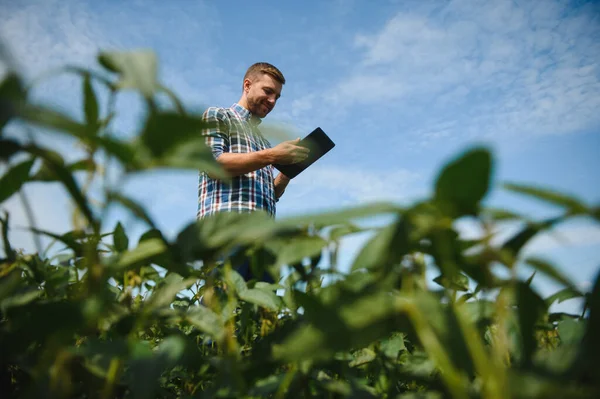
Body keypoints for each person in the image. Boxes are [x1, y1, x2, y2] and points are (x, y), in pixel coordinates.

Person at [197, 62, 309, 282]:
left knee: (262, 315)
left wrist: (286, 175)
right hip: (227, 234)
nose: (272, 101)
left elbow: (269, 195)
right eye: (268, 91)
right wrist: (272, 156)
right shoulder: (219, 116)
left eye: (277, 96)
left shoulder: (263, 141)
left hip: (264, 244)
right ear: (247, 85)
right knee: (221, 310)